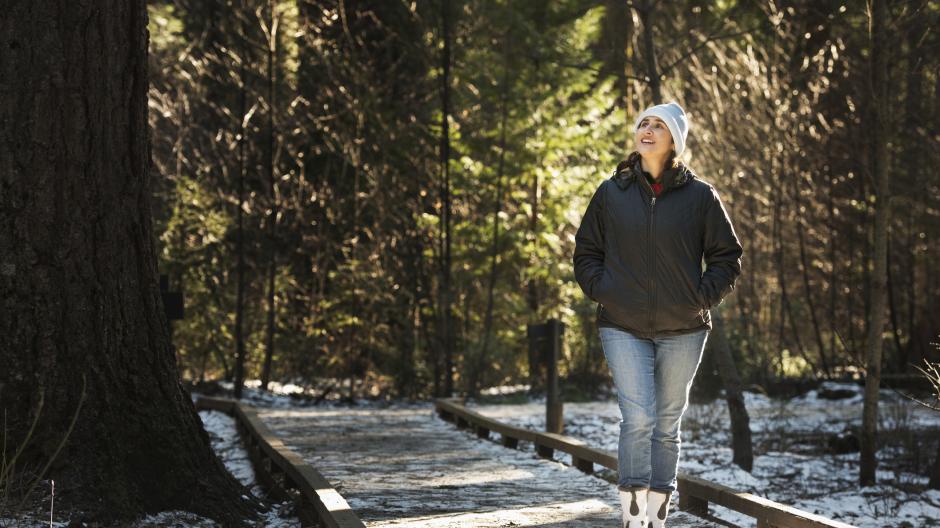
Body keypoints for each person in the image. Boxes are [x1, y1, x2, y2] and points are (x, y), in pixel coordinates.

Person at [573, 101, 742, 527]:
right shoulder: (612, 192)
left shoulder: (701, 196)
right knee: (640, 417)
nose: (647, 130)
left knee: (666, 423)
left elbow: (727, 257)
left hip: (683, 327)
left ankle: (657, 516)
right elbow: (586, 252)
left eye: (658, 125)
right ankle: (632, 517)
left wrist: (699, 298)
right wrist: (605, 291)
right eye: (643, 123)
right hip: (622, 325)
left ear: (674, 141)